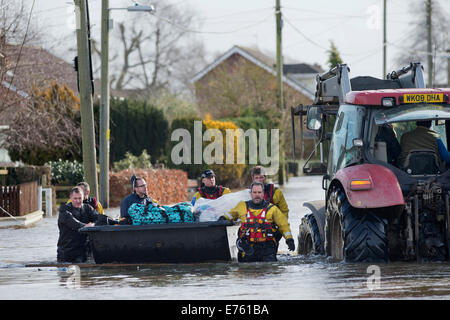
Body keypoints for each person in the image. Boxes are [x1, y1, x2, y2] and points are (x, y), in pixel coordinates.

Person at [222, 181, 295, 262]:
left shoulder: (272, 209)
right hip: (247, 248)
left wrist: (289, 239)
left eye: (259, 192)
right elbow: (229, 216)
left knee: (270, 270)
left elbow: (283, 225)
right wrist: (222, 219)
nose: (257, 195)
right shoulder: (241, 206)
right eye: (255, 192)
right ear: (251, 193)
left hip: (267, 249)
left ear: (263, 193)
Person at [57, 187, 101, 263]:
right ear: (70, 198)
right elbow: (73, 223)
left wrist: (93, 224)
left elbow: (99, 219)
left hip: (83, 251)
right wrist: (86, 226)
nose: (78, 201)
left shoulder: (88, 208)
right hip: (66, 251)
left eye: (80, 198)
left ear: (83, 197)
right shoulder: (64, 210)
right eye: (75, 198)